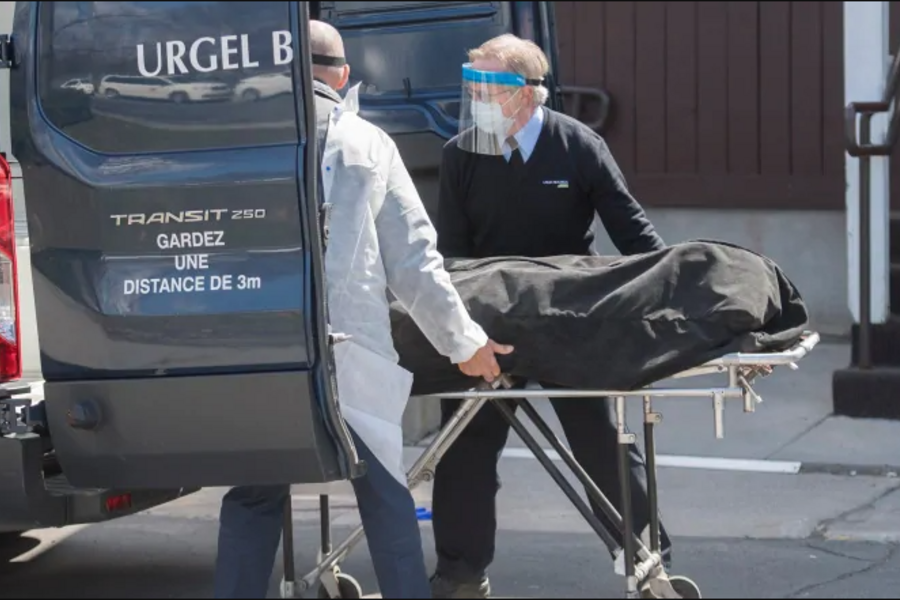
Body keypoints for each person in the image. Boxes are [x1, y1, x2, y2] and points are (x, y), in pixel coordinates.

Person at [213, 20, 513, 599]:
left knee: (253, 496)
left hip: (263, 350)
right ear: (344, 76)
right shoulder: (367, 143)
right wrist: (465, 343)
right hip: (351, 355)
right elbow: (414, 265)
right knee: (384, 502)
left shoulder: (244, 143)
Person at [428, 34, 673, 599]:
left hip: (568, 314)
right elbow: (453, 256)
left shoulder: (578, 145)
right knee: (464, 444)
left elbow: (634, 232)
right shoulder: (461, 153)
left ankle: (648, 562)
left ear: (529, 94)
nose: (479, 97)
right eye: (475, 86)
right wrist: (460, 333)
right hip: (488, 321)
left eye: (490, 86)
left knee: (601, 440)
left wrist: (672, 295)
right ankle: (460, 575)